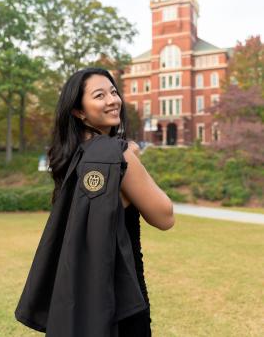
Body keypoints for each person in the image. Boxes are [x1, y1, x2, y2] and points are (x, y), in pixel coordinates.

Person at [47, 67, 175, 336]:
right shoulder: (119, 157)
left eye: (114, 92)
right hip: (124, 298)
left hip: (79, 296)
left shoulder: (69, 158)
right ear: (79, 111)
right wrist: (130, 156)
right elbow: (165, 217)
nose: (113, 100)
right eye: (99, 95)